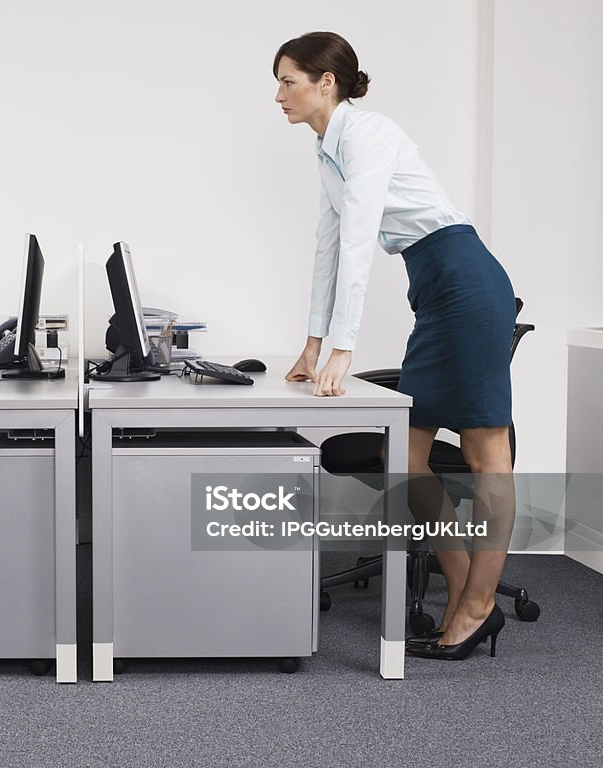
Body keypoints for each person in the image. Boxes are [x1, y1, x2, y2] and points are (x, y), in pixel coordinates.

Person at [274, 32, 516, 660]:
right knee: (404, 456)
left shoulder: (368, 135)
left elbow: (359, 242)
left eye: (288, 81)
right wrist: (311, 343)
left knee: (485, 449)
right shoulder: (329, 150)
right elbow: (329, 246)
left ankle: (478, 605)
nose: (279, 96)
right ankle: (464, 592)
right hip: (436, 288)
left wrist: (344, 350)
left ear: (325, 82)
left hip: (465, 280)